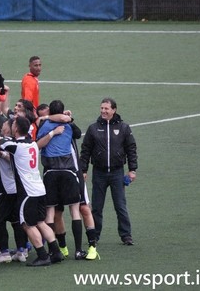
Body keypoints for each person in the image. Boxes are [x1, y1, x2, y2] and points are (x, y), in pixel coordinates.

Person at [0, 117, 64, 267]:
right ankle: (56, 251)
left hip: (27, 192)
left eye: (13, 124)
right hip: (39, 189)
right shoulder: (32, 144)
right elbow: (8, 154)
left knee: (27, 224)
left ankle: (42, 255)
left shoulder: (16, 146)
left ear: (16, 129)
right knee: (40, 222)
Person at [79, 97, 138, 245]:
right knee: (97, 207)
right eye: (102, 108)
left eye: (106, 108)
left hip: (117, 173)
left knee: (120, 206)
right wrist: (83, 169)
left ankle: (126, 235)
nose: (103, 111)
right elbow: (85, 150)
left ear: (114, 110)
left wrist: (132, 170)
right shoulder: (93, 128)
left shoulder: (124, 128)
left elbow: (131, 149)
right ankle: (95, 236)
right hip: (99, 173)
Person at [36, 100, 85, 260]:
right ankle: (78, 250)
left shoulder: (44, 126)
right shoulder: (69, 126)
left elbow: (38, 145)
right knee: (75, 211)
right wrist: (69, 118)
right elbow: (78, 134)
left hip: (50, 173)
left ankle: (53, 250)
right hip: (68, 172)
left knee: (50, 213)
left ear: (50, 111)